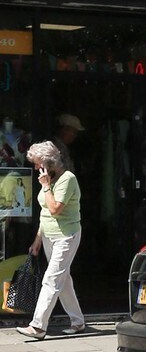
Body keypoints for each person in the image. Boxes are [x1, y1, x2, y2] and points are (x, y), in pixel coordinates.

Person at [17, 141, 85, 340]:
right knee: (62, 280)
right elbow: (45, 212)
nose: (36, 168)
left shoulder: (67, 179)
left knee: (52, 279)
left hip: (66, 236)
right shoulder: (49, 180)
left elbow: (55, 209)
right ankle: (78, 321)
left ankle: (38, 326)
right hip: (48, 234)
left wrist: (46, 186)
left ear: (48, 162)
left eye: (38, 164)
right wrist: (38, 238)